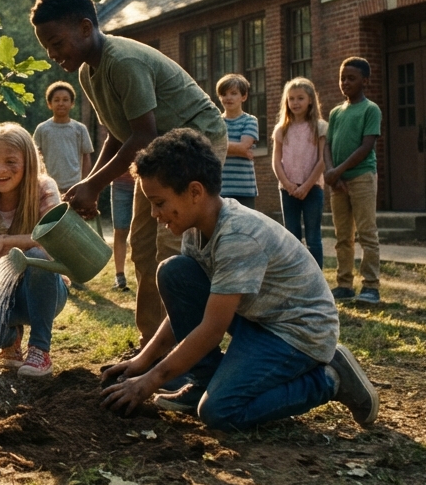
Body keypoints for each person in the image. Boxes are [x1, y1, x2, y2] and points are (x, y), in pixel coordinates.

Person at [99, 128, 378, 431]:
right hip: (259, 319)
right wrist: (143, 360)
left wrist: (148, 382)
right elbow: (187, 307)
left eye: (160, 202)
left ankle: (330, 379)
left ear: (195, 192)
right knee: (174, 272)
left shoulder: (237, 235)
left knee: (220, 411)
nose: (154, 213)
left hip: (298, 333)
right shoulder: (195, 225)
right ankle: (203, 380)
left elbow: (212, 328)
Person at [30, 0, 227, 343]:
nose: (52, 54)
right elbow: (120, 134)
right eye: (47, 47)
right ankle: (151, 341)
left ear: (86, 28)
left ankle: (182, 346)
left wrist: (95, 185)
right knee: (142, 245)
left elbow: (143, 134)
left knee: (171, 247)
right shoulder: (88, 73)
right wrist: (87, 183)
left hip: (196, 141)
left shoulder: (122, 61)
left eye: (57, 42)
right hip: (157, 149)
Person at [0, 123, 67, 377]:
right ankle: (9, 338)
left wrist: (4, 241)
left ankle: (40, 350)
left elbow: (51, 240)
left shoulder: (43, 189)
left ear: (28, 162)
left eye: (10, 161)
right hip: (3, 297)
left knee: (36, 257)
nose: (1, 170)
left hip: (46, 292)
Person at [324, 57, 382, 304]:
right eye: (342, 78)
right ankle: (344, 284)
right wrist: (330, 173)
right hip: (338, 183)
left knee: (367, 233)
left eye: (351, 78)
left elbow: (366, 146)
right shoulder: (336, 112)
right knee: (343, 236)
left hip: (361, 178)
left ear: (364, 81)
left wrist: (338, 171)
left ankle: (371, 286)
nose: (345, 82)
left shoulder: (370, 109)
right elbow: (327, 145)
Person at [271, 78, 327, 266]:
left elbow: (322, 160)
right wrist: (287, 184)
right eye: (291, 99)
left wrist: (306, 185)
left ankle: (316, 280)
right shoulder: (281, 129)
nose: (295, 103)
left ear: (310, 100)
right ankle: (295, 278)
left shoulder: (320, 127)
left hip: (312, 188)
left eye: (300, 98)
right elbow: (276, 161)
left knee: (313, 237)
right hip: (288, 190)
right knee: (292, 237)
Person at [31, 81, 93, 193]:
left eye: (65, 100)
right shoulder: (42, 129)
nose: (61, 103)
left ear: (72, 103)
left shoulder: (80, 129)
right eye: (56, 100)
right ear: (49, 104)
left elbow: (86, 157)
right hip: (48, 187)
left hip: (74, 186)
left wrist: (84, 183)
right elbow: (34, 157)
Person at [216, 74, 260, 209]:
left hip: (244, 189)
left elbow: (244, 146)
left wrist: (218, 147)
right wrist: (239, 150)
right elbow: (207, 147)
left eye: (233, 93)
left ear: (244, 97)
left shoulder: (250, 121)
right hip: (220, 188)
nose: (228, 97)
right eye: (224, 94)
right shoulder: (215, 122)